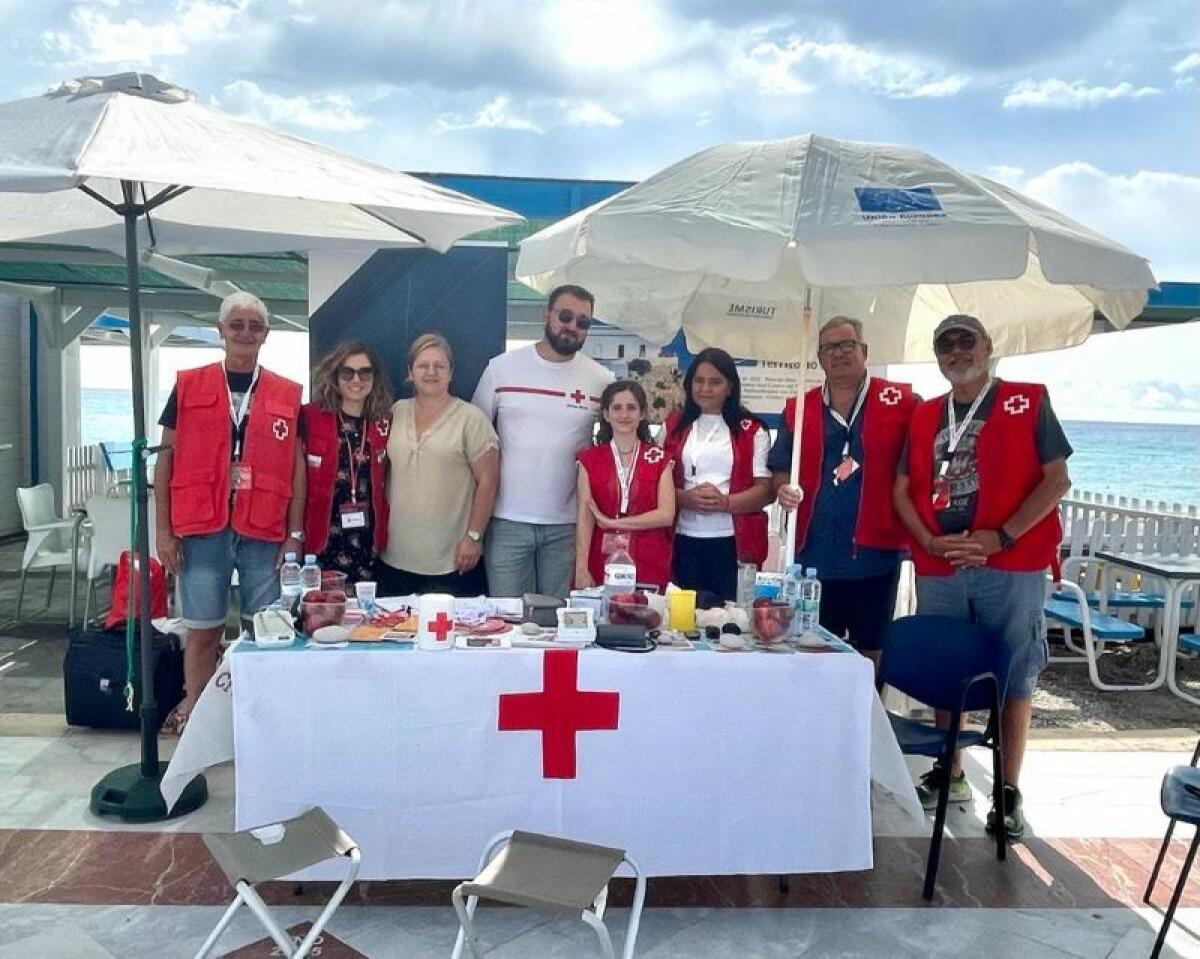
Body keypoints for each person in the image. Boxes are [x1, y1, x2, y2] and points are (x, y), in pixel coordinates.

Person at [893, 314, 1072, 840]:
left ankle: (1008, 791)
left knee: (1016, 675)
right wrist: (925, 540)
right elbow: (904, 487)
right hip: (943, 563)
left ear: (987, 345)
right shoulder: (926, 414)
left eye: (964, 341)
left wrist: (1003, 536)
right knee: (945, 671)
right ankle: (949, 773)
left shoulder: (1028, 400)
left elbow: (1056, 480)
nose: (955, 352)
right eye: (944, 344)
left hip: (1010, 565)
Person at [154, 291, 304, 731]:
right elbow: (165, 460)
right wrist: (164, 532)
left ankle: (257, 719)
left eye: (254, 326)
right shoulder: (188, 385)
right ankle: (198, 714)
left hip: (264, 528)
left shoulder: (287, 393)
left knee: (265, 633)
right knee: (202, 632)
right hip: (201, 527)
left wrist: (294, 534)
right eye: (236, 325)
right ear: (220, 331)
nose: (245, 333)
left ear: (266, 335)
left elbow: (298, 470)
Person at [770, 317, 918, 666]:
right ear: (819, 358)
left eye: (847, 345)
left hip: (875, 555)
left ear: (864, 351)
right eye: (829, 348)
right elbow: (779, 467)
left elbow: (920, 469)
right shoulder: (799, 409)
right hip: (814, 558)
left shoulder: (904, 402)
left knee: (872, 650)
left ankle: (868, 718)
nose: (838, 354)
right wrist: (782, 490)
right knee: (814, 648)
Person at [472, 285, 614, 598]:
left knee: (557, 628)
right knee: (508, 628)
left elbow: (613, 450)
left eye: (583, 322)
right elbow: (476, 445)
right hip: (506, 522)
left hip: (567, 526)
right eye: (565, 316)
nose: (572, 326)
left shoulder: (602, 380)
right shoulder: (501, 368)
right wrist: (473, 527)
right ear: (546, 314)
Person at [378, 333, 499, 596]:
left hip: (451, 561)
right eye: (423, 365)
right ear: (411, 371)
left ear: (451, 372)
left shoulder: (471, 419)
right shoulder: (394, 412)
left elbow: (488, 481)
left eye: (439, 366)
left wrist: (474, 537)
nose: (431, 372)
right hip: (394, 557)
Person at [663, 348, 772, 602]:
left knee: (732, 621)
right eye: (699, 381)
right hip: (681, 539)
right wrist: (683, 498)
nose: (705, 388)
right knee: (682, 619)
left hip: (733, 543)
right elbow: (656, 484)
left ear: (730, 387)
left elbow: (765, 491)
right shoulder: (672, 426)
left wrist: (725, 503)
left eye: (715, 382)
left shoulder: (752, 430)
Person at [300, 342, 393, 585]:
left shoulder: (385, 423)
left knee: (365, 618)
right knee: (322, 617)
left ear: (374, 377)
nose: (356, 379)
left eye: (365, 372)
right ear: (335, 375)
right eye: (347, 372)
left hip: (367, 542)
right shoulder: (309, 418)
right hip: (320, 540)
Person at [575, 380, 676, 591]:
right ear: (606, 414)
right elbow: (585, 517)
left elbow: (666, 514)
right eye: (617, 408)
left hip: (649, 559)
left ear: (642, 414)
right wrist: (581, 568)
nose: (624, 415)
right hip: (602, 559)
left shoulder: (659, 458)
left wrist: (612, 523)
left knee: (647, 619)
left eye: (631, 408)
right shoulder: (589, 459)